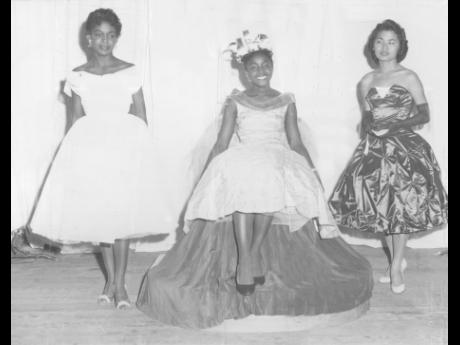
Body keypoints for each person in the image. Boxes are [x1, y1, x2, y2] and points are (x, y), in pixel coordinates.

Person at [137, 31, 373, 329]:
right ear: (244, 71)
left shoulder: (286, 100)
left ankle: (251, 252)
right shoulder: (236, 101)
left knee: (269, 178)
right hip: (244, 153)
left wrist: (312, 171)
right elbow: (223, 142)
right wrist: (208, 172)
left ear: (271, 66)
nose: (260, 71)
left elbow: (295, 141)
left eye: (265, 65)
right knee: (242, 178)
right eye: (253, 67)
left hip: (275, 154)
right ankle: (247, 258)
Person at [29, 8, 165, 309]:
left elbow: (141, 116)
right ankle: (111, 283)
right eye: (99, 35)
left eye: (110, 35)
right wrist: (73, 160)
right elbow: (75, 120)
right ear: (89, 38)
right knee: (102, 217)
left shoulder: (130, 71)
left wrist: (137, 153)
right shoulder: (78, 75)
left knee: (124, 215)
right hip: (92, 151)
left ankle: (121, 283)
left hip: (124, 150)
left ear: (117, 37)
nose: (105, 41)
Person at [329, 19, 448, 294]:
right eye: (380, 41)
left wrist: (395, 124)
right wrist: (367, 125)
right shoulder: (366, 81)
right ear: (373, 45)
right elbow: (367, 117)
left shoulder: (408, 77)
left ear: (400, 47)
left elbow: (424, 114)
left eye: (391, 42)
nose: (384, 47)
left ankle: (395, 267)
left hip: (405, 149)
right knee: (383, 207)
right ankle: (398, 259)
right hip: (375, 149)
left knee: (401, 206)